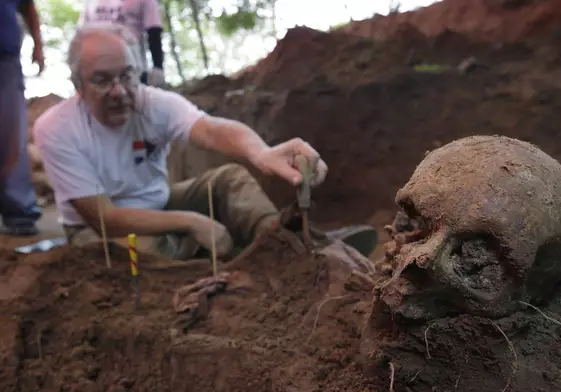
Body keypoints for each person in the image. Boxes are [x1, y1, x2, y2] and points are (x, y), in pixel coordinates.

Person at [33, 22, 377, 260]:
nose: (120, 91)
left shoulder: (153, 103)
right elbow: (105, 218)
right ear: (78, 84)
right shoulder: (57, 129)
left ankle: (287, 247)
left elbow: (211, 129)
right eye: (102, 81)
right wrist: (192, 222)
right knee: (150, 248)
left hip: (161, 202)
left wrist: (260, 152)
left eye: (127, 76)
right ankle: (234, 268)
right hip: (99, 233)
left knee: (229, 180)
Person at [0, 0, 44, 236]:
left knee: (11, 136)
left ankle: (20, 212)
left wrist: (38, 45)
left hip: (5, 57)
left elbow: (27, 6)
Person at [78, 0, 166, 87]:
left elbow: (154, 32)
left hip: (134, 68)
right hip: (98, 68)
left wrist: (158, 67)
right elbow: (81, 34)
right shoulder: (90, 2)